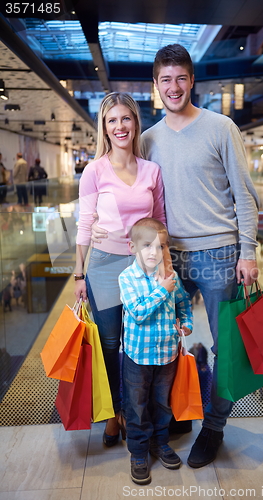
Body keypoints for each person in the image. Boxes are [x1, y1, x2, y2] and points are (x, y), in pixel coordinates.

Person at [92, 44, 259, 469]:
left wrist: (248, 251)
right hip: (165, 258)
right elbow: (136, 193)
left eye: (180, 77)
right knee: (158, 340)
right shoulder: (148, 139)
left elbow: (244, 195)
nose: (173, 86)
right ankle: (168, 417)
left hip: (217, 254)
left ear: (192, 81)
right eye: (165, 79)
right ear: (154, 86)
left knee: (225, 347)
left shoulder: (221, 127)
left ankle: (214, 428)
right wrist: (102, 226)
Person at [74, 92, 167, 449]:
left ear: (135, 122)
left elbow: (160, 222)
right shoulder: (94, 171)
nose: (119, 126)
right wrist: (79, 275)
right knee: (112, 344)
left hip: (144, 266)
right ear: (104, 127)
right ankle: (116, 415)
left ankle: (139, 415)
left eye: (125, 118)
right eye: (112, 120)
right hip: (104, 266)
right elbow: (84, 226)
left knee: (140, 344)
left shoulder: (151, 171)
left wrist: (164, 266)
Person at [119, 217, 193, 484]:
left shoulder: (171, 277)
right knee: (137, 406)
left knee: (162, 403)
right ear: (132, 247)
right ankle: (138, 451)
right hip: (138, 358)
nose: (154, 252)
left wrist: (186, 323)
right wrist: (162, 290)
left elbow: (184, 302)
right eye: (147, 245)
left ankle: (160, 442)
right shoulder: (127, 278)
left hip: (167, 355)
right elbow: (138, 313)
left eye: (161, 246)